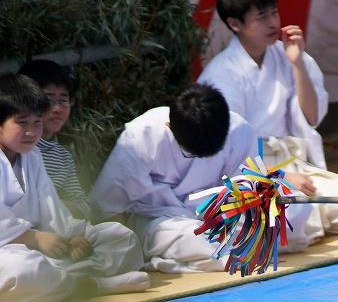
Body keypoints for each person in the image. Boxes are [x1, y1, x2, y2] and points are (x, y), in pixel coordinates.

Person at [198, 0, 338, 243]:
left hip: (295, 164)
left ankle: (310, 219)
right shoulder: (221, 75)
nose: (272, 22)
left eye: (274, 12)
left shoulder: (290, 54)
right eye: (261, 17)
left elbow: (312, 118)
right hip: (251, 175)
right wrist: (278, 176)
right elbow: (227, 151)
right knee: (291, 223)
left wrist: (297, 64)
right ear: (235, 24)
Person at [90, 83, 321, 273]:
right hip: (166, 218)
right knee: (189, 239)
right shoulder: (142, 136)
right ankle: (246, 250)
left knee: (288, 213)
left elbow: (248, 182)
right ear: (170, 126)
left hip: (223, 211)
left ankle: (250, 246)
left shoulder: (238, 129)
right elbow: (108, 201)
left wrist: (265, 197)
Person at [0, 74, 149, 302]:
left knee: (122, 239)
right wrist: (35, 238)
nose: (31, 132)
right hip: (12, 253)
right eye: (22, 122)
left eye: (37, 122)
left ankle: (65, 281)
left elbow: (49, 204)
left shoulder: (32, 155)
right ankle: (95, 286)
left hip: (42, 246)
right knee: (23, 269)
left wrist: (69, 238)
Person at [17, 59, 91, 218]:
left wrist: (54, 208)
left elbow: (83, 204)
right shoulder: (14, 151)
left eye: (63, 100)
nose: (57, 109)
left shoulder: (63, 156)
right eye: (48, 99)